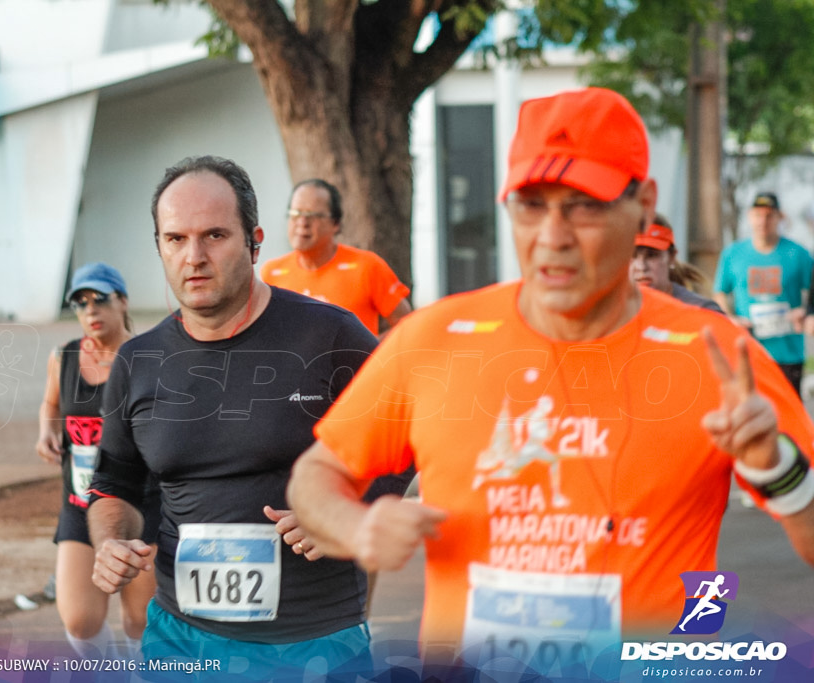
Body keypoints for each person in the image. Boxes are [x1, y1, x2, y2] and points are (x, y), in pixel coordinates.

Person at [286, 88, 814, 667]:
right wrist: (356, 527)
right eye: (531, 205)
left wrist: (775, 467)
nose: (553, 235)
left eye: (583, 205)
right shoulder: (435, 338)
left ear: (643, 204)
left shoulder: (714, 353)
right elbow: (316, 475)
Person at [86, 156, 379, 677]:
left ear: (255, 241)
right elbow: (113, 486)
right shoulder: (138, 361)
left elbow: (410, 437)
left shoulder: (331, 337)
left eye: (214, 235)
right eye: (175, 239)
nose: (194, 257)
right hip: (179, 639)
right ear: (159, 247)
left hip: (311, 640)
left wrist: (348, 509)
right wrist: (110, 542)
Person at [35, 262, 159, 659]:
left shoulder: (148, 358)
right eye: (80, 302)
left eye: (100, 299)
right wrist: (48, 430)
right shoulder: (63, 356)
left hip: (140, 504)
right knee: (80, 620)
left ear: (122, 302)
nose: (90, 310)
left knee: (141, 618)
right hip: (80, 504)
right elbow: (50, 404)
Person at [260, 178, 412, 336]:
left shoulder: (367, 266)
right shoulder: (272, 272)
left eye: (313, 215)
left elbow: (406, 323)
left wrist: (371, 351)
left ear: (336, 223)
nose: (302, 222)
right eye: (296, 213)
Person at [713, 192, 814, 395]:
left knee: (787, 422)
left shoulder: (798, 253)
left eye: (769, 215)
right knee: (749, 418)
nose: (763, 221)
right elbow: (720, 293)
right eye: (758, 215)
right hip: (748, 352)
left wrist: (807, 313)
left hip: (788, 354)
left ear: (779, 217)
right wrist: (731, 318)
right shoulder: (733, 254)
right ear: (750, 216)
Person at [630, 215, 722, 312]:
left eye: (652, 255)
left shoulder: (702, 310)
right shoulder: (615, 315)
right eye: (631, 256)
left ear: (671, 257)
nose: (641, 267)